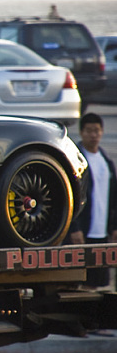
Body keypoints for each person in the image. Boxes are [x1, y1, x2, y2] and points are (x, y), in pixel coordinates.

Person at [67, 113, 117, 289]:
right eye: (89, 131)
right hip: (83, 233)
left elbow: (112, 198)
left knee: (97, 282)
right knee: (78, 280)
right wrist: (75, 227)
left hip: (101, 234)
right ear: (81, 133)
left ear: (102, 132)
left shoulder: (106, 162)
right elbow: (71, 198)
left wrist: (113, 227)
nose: (93, 135)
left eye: (97, 131)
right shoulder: (76, 161)